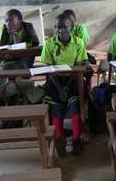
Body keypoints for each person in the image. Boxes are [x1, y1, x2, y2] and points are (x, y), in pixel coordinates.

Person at [41, 13, 88, 156]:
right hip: (55, 81)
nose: (61, 30)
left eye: (65, 27)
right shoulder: (49, 44)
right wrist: (60, 88)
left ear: (72, 28)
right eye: (58, 28)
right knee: (56, 107)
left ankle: (76, 140)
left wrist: (67, 87)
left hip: (73, 79)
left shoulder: (78, 42)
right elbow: (49, 70)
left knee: (74, 105)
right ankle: (59, 139)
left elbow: (79, 67)